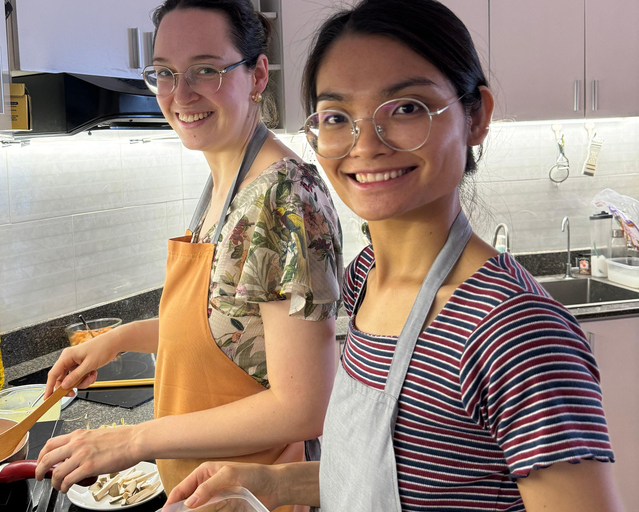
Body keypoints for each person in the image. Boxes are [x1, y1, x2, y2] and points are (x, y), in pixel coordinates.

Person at [164, 1, 626, 511]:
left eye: (406, 108)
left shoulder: (515, 332)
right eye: (338, 116)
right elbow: (410, 477)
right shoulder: (366, 279)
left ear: (476, 117)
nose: (367, 144)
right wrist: (271, 484)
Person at [34, 0, 344, 506]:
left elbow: (305, 404)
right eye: (164, 73)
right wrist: (119, 340)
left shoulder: (284, 194)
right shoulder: (223, 182)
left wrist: (134, 438)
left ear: (257, 75)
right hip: (204, 491)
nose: (180, 94)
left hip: (255, 495)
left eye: (206, 69)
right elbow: (234, 327)